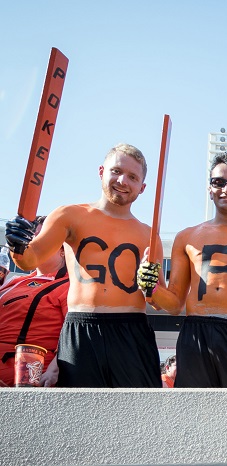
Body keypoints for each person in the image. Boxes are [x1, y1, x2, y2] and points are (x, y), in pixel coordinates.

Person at [5, 143, 163, 388]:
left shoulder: (149, 235)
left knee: (139, 416)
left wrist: (152, 287)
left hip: (132, 331)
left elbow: (160, 300)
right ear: (101, 171)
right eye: (116, 171)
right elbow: (29, 260)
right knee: (80, 417)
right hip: (81, 328)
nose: (122, 180)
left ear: (142, 187)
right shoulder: (69, 215)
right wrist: (17, 244)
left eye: (132, 177)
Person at [137, 152, 227, 388]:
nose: (226, 189)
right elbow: (174, 304)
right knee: (195, 414)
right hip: (196, 332)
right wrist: (150, 287)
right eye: (218, 182)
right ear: (209, 189)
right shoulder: (187, 236)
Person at [0, 217, 69, 387]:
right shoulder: (14, 281)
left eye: (40, 238)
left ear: (62, 249)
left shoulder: (70, 286)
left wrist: (55, 369)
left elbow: (77, 336)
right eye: (29, 237)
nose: (30, 243)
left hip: (25, 382)